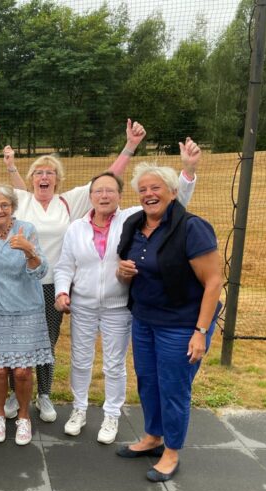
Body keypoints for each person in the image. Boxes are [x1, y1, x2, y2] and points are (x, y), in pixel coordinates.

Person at [0, 120, 147, 422]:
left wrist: (130, 146)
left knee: (46, 341)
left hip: (51, 285)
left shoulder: (69, 201)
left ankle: (43, 395)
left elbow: (108, 181)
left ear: (57, 179)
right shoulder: (22, 201)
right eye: (39, 173)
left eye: (50, 173)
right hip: (17, 286)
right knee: (12, 342)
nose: (45, 177)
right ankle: (10, 399)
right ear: (31, 179)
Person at [53, 138, 200, 444]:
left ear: (119, 195)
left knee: (114, 363)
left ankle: (111, 415)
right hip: (82, 305)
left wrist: (187, 171)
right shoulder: (76, 228)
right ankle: (79, 410)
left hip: (119, 305)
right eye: (98, 191)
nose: (103, 195)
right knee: (80, 360)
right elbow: (65, 265)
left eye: (110, 190)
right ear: (90, 196)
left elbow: (175, 204)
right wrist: (62, 291)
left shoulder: (133, 219)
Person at [115, 162, 222, 482]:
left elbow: (214, 282)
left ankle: (172, 451)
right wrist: (123, 271)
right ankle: (153, 436)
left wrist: (200, 332)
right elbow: (127, 264)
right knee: (148, 380)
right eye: (144, 189)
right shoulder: (135, 224)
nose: (149, 194)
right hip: (145, 318)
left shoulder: (191, 227)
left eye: (156, 188)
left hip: (182, 324)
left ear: (173, 192)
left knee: (173, 387)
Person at [0, 185, 52, 445]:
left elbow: (40, 272)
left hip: (27, 309)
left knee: (21, 372)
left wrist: (29, 251)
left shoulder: (27, 229)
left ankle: (23, 417)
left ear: (12, 207)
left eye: (4, 205)